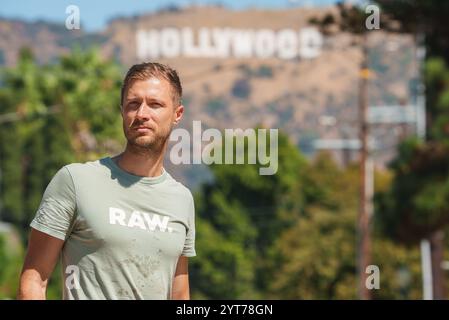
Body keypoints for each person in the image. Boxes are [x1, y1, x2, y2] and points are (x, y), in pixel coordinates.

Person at [17, 62, 196, 300]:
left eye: (155, 104)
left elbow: (179, 294)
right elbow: (33, 280)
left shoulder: (181, 199)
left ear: (177, 114)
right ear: (122, 110)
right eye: (133, 104)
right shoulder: (75, 181)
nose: (142, 114)